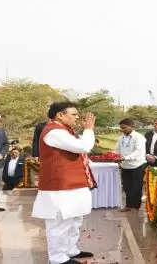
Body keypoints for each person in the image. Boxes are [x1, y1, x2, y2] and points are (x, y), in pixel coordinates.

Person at [31, 101, 96, 264]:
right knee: (60, 223)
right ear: (60, 115)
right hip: (60, 186)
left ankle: (70, 250)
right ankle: (58, 258)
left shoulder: (65, 130)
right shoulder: (53, 131)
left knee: (74, 219)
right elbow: (83, 146)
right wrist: (88, 130)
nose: (77, 117)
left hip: (72, 184)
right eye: (73, 114)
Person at [115, 118, 146, 212]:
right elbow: (118, 149)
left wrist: (125, 158)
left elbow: (138, 151)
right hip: (125, 165)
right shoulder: (121, 137)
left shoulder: (139, 137)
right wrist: (115, 156)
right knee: (126, 186)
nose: (122, 130)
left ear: (132, 126)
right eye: (121, 128)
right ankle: (128, 205)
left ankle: (136, 207)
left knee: (136, 187)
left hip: (137, 165)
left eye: (124, 128)